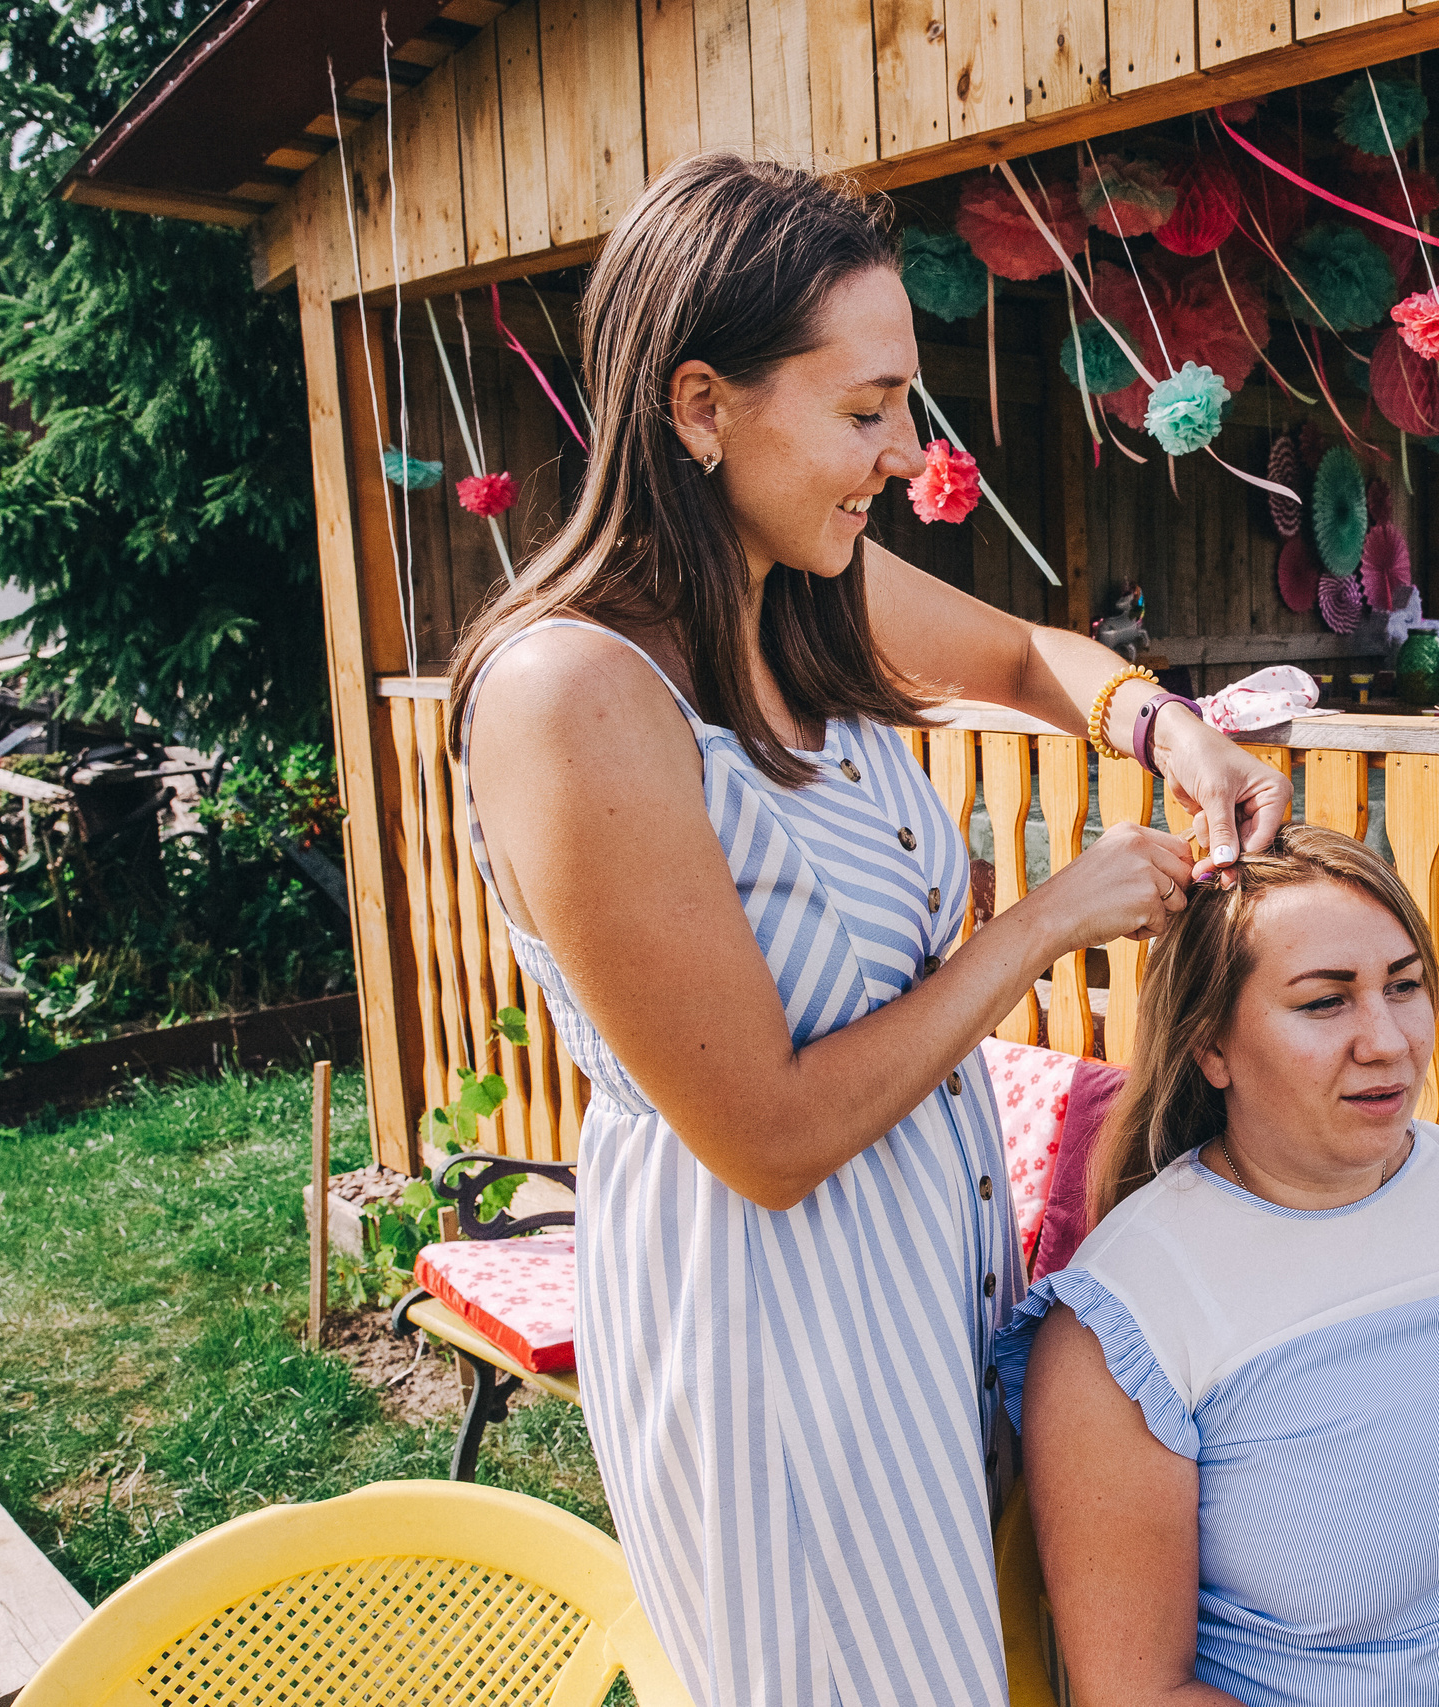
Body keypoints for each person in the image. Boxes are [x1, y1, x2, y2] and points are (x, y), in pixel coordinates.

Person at [452, 154, 1294, 1706]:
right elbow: (765, 1135)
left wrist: (1170, 730)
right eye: (864, 411)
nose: (903, 454)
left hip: (922, 1293)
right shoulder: (574, 697)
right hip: (774, 1347)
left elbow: (1034, 659)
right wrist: (1041, 926)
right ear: (700, 405)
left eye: (903, 408)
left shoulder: (792, 588)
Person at [998, 827, 1439, 1707]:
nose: (1386, 1040)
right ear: (1211, 1047)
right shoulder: (1127, 1319)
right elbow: (1142, 1690)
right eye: (1323, 1002)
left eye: (1405, 985)